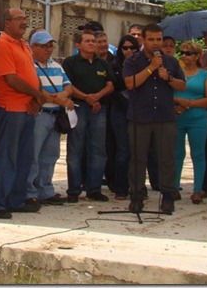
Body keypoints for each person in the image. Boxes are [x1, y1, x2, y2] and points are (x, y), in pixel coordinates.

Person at [0, 8, 45, 219]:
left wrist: (36, 100)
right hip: (9, 109)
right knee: (6, 159)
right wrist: (38, 94)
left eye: (25, 18)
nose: (24, 22)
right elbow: (11, 79)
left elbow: (31, 74)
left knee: (24, 158)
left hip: (27, 109)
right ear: (7, 23)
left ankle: (15, 200)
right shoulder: (1, 45)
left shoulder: (23, 45)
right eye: (19, 19)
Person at [123, 24, 186, 213]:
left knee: (166, 158)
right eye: (151, 39)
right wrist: (151, 68)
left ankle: (168, 195)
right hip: (139, 117)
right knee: (137, 158)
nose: (156, 43)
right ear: (143, 40)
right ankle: (136, 196)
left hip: (165, 116)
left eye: (159, 39)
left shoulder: (171, 61)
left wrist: (168, 78)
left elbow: (182, 85)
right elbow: (130, 83)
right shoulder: (132, 60)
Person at [62, 31, 115, 203]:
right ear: (78, 45)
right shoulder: (70, 62)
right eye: (88, 41)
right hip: (78, 108)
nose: (92, 43)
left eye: (94, 41)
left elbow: (110, 84)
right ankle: (74, 190)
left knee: (98, 150)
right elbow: (68, 85)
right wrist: (87, 97)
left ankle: (94, 189)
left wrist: (97, 97)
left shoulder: (102, 63)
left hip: (98, 109)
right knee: (76, 149)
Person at [28, 30, 74, 205]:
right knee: (33, 154)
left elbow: (68, 85)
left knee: (50, 155)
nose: (49, 50)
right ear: (33, 47)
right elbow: (36, 90)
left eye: (50, 46)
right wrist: (60, 99)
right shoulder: (29, 65)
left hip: (55, 116)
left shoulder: (56, 65)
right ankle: (29, 191)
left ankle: (45, 190)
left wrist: (64, 94)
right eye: (44, 46)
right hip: (40, 115)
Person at [173, 41, 207, 204]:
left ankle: (198, 190)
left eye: (188, 53)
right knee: (177, 154)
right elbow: (168, 93)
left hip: (198, 119)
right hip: (177, 117)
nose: (184, 56)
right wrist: (179, 102)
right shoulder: (176, 73)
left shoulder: (206, 75)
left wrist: (187, 104)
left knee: (198, 153)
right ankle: (174, 187)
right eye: (182, 52)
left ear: (197, 56)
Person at [106, 34, 139, 200]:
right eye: (125, 48)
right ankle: (120, 187)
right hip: (119, 110)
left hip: (138, 111)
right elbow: (112, 90)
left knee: (138, 151)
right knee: (123, 150)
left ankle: (137, 186)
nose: (129, 51)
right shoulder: (113, 65)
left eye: (133, 48)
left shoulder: (142, 65)